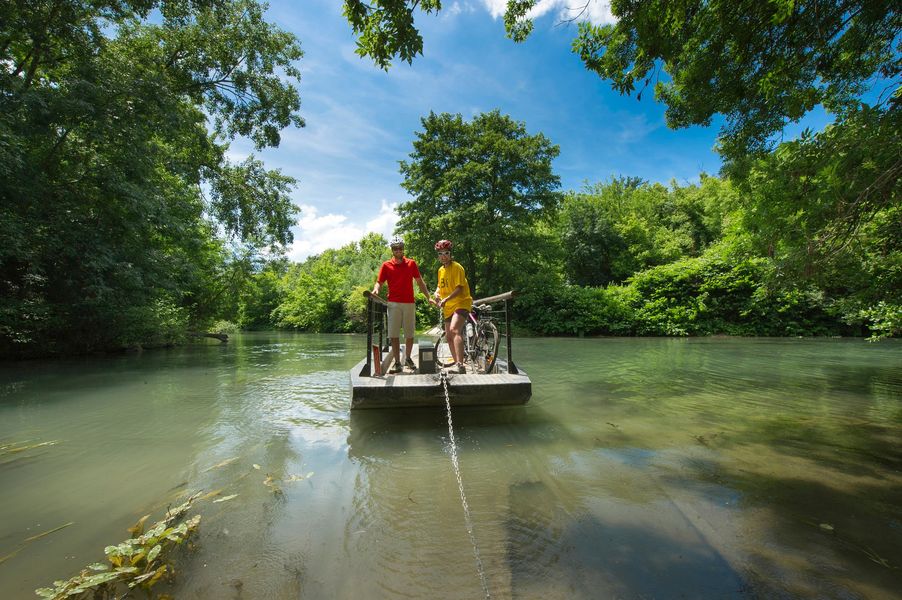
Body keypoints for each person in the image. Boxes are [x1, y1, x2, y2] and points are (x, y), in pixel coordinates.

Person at [372, 236, 430, 374]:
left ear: (403, 249)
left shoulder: (411, 263)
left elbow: (420, 282)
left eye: (400, 247)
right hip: (393, 303)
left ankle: (408, 358)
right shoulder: (386, 265)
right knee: (394, 334)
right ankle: (398, 362)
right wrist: (376, 290)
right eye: (395, 248)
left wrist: (429, 297)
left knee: (409, 333)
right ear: (392, 250)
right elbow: (379, 282)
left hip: (409, 302)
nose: (398, 250)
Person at [430, 239, 473, 374]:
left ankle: (461, 365)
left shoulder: (458, 267)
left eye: (446, 253)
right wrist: (437, 293)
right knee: (448, 336)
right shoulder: (440, 270)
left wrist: (446, 298)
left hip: (461, 302)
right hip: (448, 306)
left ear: (451, 254)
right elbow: (439, 285)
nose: (443, 256)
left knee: (455, 330)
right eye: (440, 253)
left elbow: (459, 288)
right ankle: (456, 363)